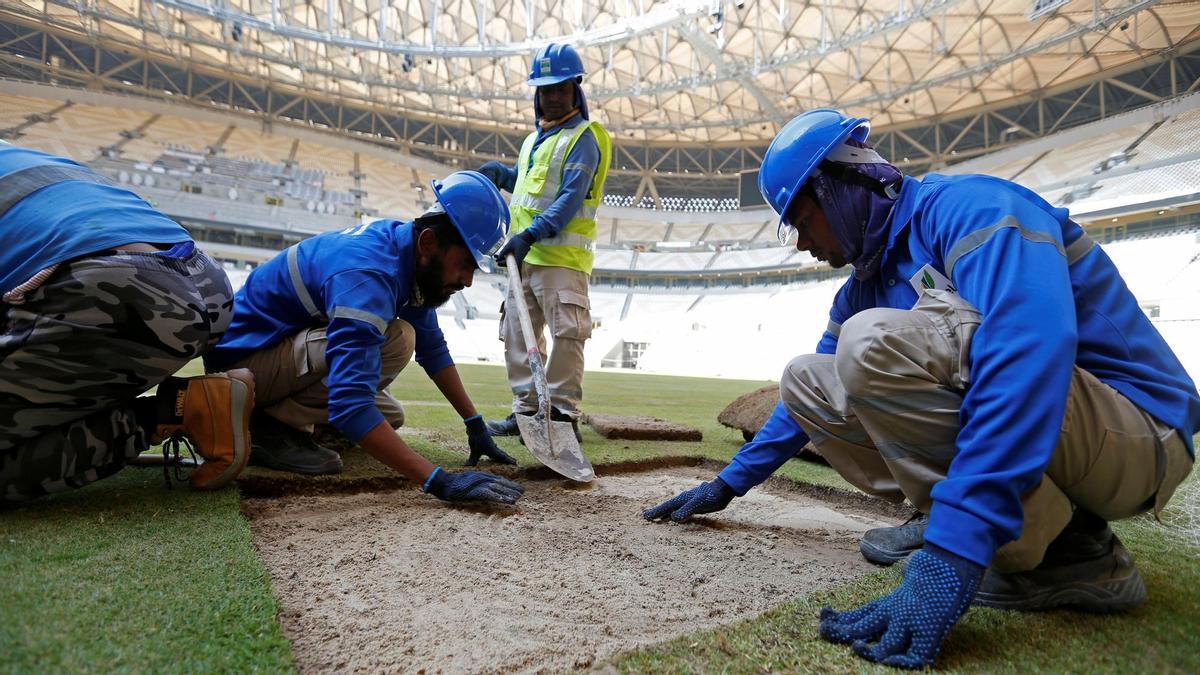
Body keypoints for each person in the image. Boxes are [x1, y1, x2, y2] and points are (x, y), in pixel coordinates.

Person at [644, 109, 1198, 668]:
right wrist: (730, 483)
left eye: (801, 221)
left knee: (870, 342)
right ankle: (1032, 528)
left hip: (1140, 436)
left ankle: (1064, 552)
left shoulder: (970, 208)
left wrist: (952, 551)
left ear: (838, 188)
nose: (802, 244)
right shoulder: (864, 286)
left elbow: (1029, 353)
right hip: (1072, 435)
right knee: (806, 378)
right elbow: (804, 406)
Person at [204, 170, 524, 506]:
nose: (468, 281)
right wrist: (439, 481)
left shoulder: (406, 255)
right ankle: (266, 426)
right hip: (239, 371)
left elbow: (433, 348)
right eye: (464, 265)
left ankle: (288, 421)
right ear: (428, 242)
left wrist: (474, 424)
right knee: (397, 340)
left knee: (389, 416)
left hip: (272, 352)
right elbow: (349, 404)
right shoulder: (368, 274)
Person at [0, 141, 254, 502]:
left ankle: (167, 414)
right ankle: (186, 404)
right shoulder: (23, 154)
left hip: (111, 291)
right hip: (204, 278)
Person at [479, 43, 613, 442]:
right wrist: (503, 176)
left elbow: (568, 202)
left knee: (567, 336)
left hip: (561, 260)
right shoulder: (532, 140)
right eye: (545, 89)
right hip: (524, 257)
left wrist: (529, 235)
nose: (552, 97)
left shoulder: (585, 138)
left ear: (576, 88)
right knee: (518, 335)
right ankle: (526, 411)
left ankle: (560, 413)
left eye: (560, 88)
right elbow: (529, 186)